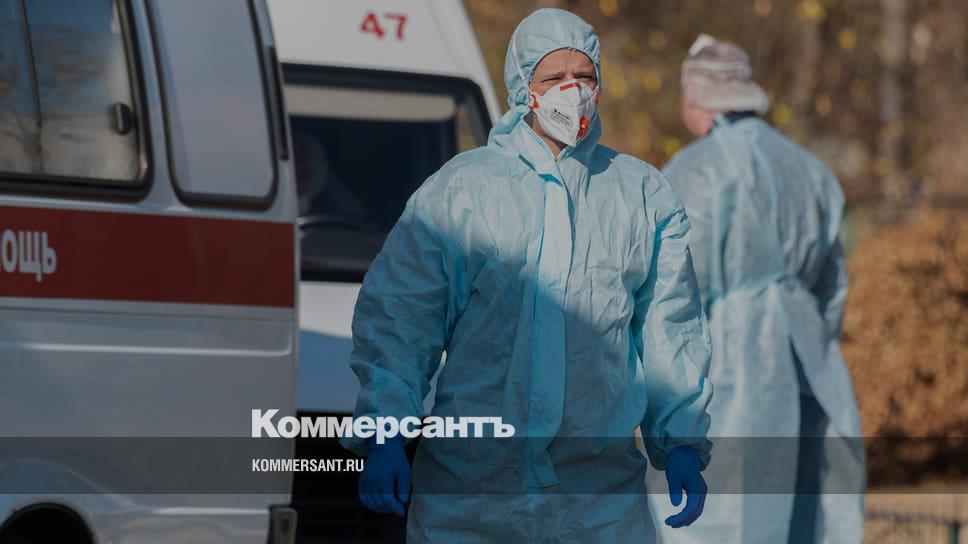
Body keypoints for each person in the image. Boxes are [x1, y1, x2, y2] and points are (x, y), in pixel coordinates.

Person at [341, 9, 714, 542]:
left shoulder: (640, 195)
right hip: (471, 494)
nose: (572, 90)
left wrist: (680, 443)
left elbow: (669, 330)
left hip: (598, 497)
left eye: (583, 76)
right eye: (553, 77)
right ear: (524, 89)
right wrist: (385, 431)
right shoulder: (462, 191)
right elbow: (403, 316)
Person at [649, 34, 866, 543]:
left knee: (713, 519)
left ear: (696, 95)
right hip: (809, 368)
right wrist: (808, 340)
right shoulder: (807, 168)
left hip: (724, 372)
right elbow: (832, 286)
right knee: (797, 517)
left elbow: (670, 292)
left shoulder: (693, 171)